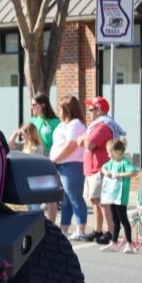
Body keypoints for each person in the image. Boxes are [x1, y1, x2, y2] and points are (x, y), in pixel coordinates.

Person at [81, 97, 123, 243]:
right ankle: (97, 230)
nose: (89, 112)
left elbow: (89, 144)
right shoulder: (96, 125)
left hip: (100, 169)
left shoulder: (103, 126)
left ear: (99, 110)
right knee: (94, 201)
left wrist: (84, 137)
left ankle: (111, 233)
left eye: (91, 109)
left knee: (103, 202)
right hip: (92, 169)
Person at [50, 96, 88, 240]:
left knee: (75, 197)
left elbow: (71, 146)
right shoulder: (61, 125)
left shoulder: (76, 124)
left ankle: (80, 229)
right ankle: (64, 228)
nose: (58, 111)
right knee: (65, 199)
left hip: (71, 165)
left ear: (67, 109)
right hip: (59, 164)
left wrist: (55, 159)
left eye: (60, 108)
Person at [27, 93, 60, 221]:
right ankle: (36, 220)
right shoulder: (33, 121)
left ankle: (52, 222)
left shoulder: (55, 122)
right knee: (35, 191)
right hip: (35, 158)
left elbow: (58, 141)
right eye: (31, 105)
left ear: (43, 105)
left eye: (34, 104)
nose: (32, 107)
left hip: (49, 158)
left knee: (50, 193)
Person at [99, 139, 137, 253]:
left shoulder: (124, 162)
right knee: (115, 219)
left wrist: (120, 174)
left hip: (121, 197)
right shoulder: (111, 162)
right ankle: (114, 242)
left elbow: (134, 172)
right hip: (112, 195)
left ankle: (129, 244)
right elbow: (103, 167)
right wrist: (106, 172)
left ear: (118, 151)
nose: (108, 155)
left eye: (110, 152)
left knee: (123, 220)